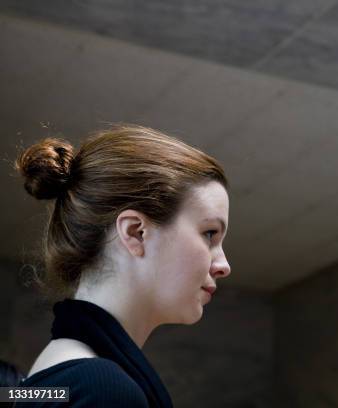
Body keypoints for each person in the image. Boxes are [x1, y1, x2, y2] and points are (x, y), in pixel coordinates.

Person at [12, 124, 231, 407]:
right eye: (210, 234)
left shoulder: (54, 376)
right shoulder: (103, 390)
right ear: (135, 232)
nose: (223, 265)